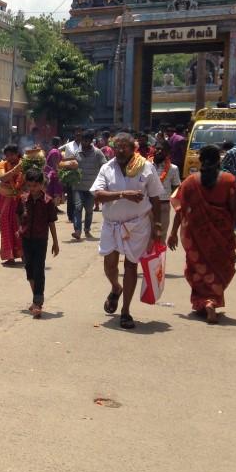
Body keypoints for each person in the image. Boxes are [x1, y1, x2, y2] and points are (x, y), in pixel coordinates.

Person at [168, 145, 236, 324]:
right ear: (219, 160)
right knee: (222, 267)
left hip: (195, 235)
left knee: (197, 267)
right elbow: (235, 211)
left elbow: (180, 209)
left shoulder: (190, 181)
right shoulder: (229, 180)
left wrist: (173, 233)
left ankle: (204, 301)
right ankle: (211, 301)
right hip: (222, 236)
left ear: (200, 160)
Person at [91, 132, 164, 330]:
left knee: (131, 266)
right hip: (111, 224)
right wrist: (123, 194)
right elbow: (97, 194)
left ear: (133, 148)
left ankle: (125, 311)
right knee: (110, 264)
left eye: (124, 147)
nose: (120, 150)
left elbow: (156, 198)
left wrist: (158, 226)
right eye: (117, 146)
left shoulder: (146, 167)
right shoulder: (107, 168)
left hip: (138, 225)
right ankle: (116, 287)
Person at [18, 168, 60, 318]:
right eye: (29, 186)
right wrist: (19, 230)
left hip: (41, 239)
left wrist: (55, 242)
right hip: (25, 239)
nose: (32, 189)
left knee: (39, 269)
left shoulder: (48, 201)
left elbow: (51, 223)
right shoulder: (23, 199)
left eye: (35, 186)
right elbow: (19, 216)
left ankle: (38, 302)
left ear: (42, 185)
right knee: (29, 269)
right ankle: (36, 298)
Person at [61, 131, 107, 241]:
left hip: (92, 188)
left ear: (91, 141)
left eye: (87, 140)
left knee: (89, 210)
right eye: (83, 140)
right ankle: (77, 231)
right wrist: (67, 168)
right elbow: (68, 165)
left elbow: (105, 166)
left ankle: (87, 229)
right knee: (77, 208)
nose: (85, 143)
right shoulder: (76, 153)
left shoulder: (98, 153)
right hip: (77, 187)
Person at [0, 144, 25, 264]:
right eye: (7, 155)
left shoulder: (25, 164)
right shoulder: (2, 164)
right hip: (5, 199)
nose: (9, 157)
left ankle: (24, 254)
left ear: (17, 154)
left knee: (20, 225)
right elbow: (3, 177)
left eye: (12, 154)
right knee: (5, 225)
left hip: (20, 199)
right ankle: (9, 256)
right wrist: (16, 169)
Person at [150, 139, 182, 242]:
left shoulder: (173, 168)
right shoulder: (145, 166)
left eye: (162, 149)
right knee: (146, 236)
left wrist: (175, 204)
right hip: (147, 206)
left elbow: (176, 188)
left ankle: (159, 258)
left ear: (167, 152)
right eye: (157, 149)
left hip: (163, 205)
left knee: (161, 236)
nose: (159, 151)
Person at [44, 136, 65, 206]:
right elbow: (55, 164)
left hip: (52, 173)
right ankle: (53, 207)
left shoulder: (53, 151)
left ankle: (54, 207)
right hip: (53, 175)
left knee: (52, 191)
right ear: (59, 143)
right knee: (53, 192)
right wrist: (59, 174)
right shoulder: (55, 152)